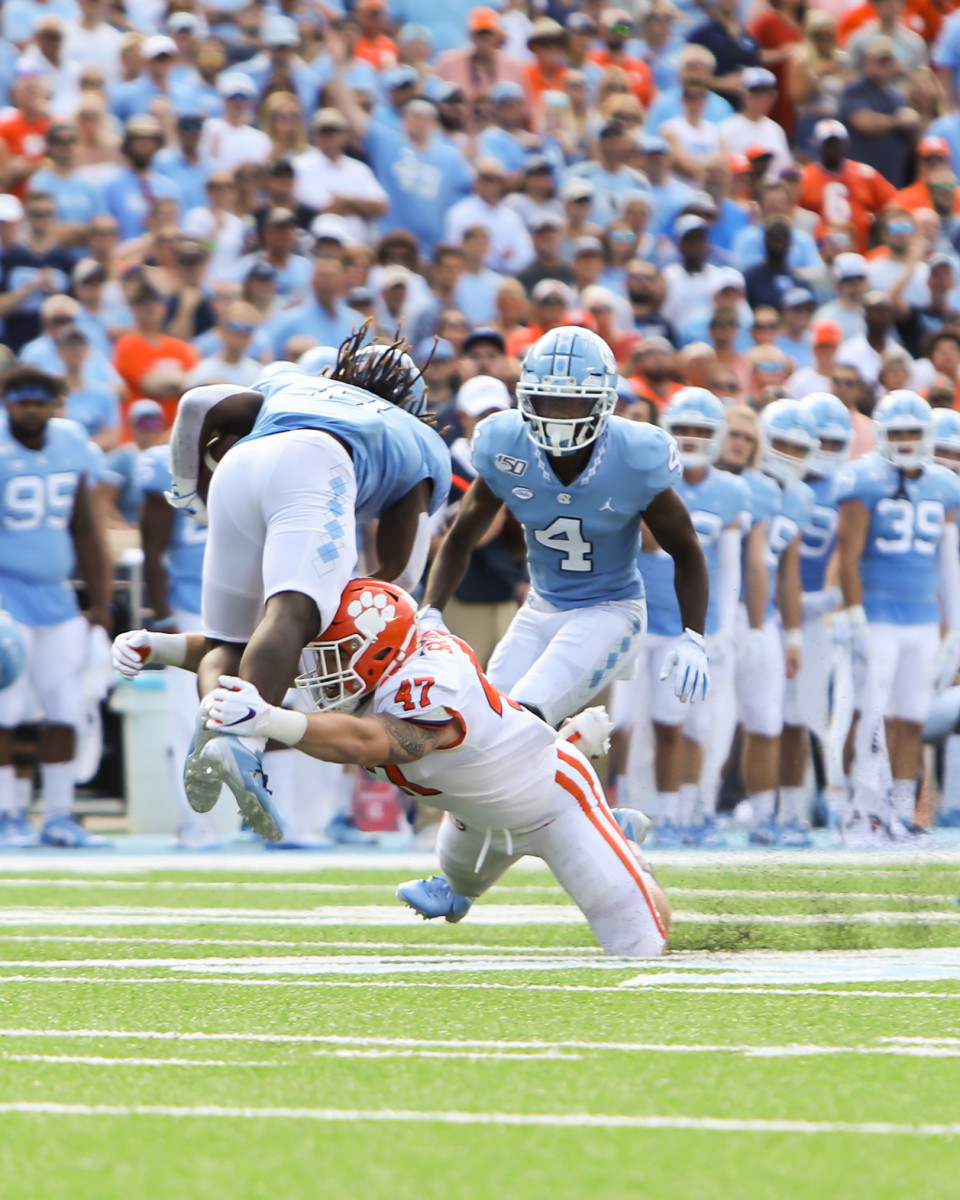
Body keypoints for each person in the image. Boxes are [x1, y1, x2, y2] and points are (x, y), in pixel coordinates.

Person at [121, 577, 672, 956]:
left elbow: (373, 741)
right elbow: (255, 652)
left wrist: (269, 720)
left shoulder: (429, 680)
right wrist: (163, 649)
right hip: (470, 818)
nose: (314, 669)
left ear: (377, 653)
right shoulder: (373, 661)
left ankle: (619, 847)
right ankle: (501, 868)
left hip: (552, 800)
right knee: (458, 887)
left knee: (640, 941)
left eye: (329, 656)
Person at [142, 335, 451, 840]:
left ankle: (218, 725)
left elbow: (199, 403)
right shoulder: (414, 437)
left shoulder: (292, 383)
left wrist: (189, 491)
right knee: (291, 613)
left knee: (227, 642)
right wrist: (330, 622)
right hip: (317, 464)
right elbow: (400, 576)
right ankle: (242, 740)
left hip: (239, 469)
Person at [422, 324, 709, 745]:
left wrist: (693, 637)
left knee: (522, 715)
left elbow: (686, 550)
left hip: (609, 608)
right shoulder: (507, 443)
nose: (557, 415)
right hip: (541, 607)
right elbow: (462, 536)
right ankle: (568, 804)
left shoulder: (634, 454)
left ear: (602, 402)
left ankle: (577, 805)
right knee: (476, 729)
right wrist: (430, 610)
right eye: (548, 401)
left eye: (573, 404)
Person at [626, 387, 749, 846]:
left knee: (695, 725)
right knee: (631, 725)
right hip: (643, 621)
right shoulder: (647, 480)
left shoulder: (732, 489)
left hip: (696, 627)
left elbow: (733, 567)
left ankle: (687, 810)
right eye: (684, 429)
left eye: (702, 430)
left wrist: (726, 627)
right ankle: (644, 810)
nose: (693, 438)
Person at [835, 389, 960, 841]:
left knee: (911, 718)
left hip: (923, 620)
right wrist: (854, 617)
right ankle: (864, 809)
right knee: (871, 717)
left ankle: (903, 811)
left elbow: (949, 564)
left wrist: (955, 629)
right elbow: (847, 556)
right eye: (898, 431)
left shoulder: (945, 486)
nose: (906, 440)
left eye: (914, 431)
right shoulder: (862, 479)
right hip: (879, 617)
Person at [0, 366, 111, 848]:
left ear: (56, 404)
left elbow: (85, 526)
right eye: (21, 401)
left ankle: (60, 815)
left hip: (58, 596)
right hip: (6, 594)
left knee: (67, 705)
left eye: (39, 402)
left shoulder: (70, 441)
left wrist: (102, 602)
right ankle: (7, 813)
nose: (30, 410)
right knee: (6, 708)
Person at [738, 399, 818, 845]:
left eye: (796, 446)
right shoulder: (741, 484)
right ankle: (683, 811)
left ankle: (767, 816)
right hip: (720, 611)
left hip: (765, 615)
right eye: (780, 442)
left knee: (768, 717)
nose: (787, 452)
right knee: (701, 721)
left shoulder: (802, 496)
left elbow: (789, 572)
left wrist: (793, 634)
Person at [779, 392, 854, 838]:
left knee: (812, 711)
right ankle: (778, 802)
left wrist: (831, 597)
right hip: (776, 609)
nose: (824, 448)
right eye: (817, 439)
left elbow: (849, 549)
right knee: (768, 713)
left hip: (819, 614)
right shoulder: (783, 484)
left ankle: (815, 800)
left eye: (832, 439)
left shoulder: (846, 485)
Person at [798, 119, 896, 253]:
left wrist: (878, 225)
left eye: (838, 144)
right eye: (829, 144)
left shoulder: (865, 174)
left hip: (860, 251)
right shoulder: (804, 178)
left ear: (846, 145)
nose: (834, 149)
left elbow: (893, 204)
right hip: (819, 254)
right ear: (817, 146)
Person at [0, 188, 75, 354]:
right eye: (36, 213)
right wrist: (29, 288)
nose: (42, 219)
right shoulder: (10, 258)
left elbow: (77, 312)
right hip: (17, 344)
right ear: (27, 216)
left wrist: (54, 295)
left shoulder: (66, 259)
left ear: (55, 215)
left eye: (47, 213)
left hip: (59, 352)